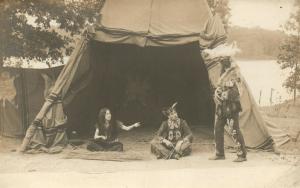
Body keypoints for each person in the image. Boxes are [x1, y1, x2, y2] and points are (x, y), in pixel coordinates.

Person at [209, 57, 247, 162]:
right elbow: (220, 87)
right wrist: (217, 93)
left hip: (232, 107)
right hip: (222, 107)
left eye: (222, 61)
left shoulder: (235, 73)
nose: (220, 63)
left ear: (227, 61)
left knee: (234, 130)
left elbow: (237, 91)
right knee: (218, 128)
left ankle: (242, 155)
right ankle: (219, 153)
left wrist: (224, 94)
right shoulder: (223, 73)